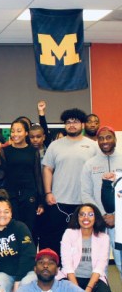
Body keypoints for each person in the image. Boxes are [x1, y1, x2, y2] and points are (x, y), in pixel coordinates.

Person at [41, 108, 98, 254]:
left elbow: (98, 171)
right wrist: (48, 192)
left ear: (82, 124)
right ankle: (58, 273)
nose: (72, 125)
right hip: (58, 201)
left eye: (75, 122)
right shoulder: (55, 145)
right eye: (68, 122)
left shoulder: (93, 146)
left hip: (83, 202)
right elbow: (47, 169)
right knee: (55, 240)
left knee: (81, 242)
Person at [81, 126, 122, 274]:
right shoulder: (90, 164)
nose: (105, 141)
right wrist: (102, 215)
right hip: (98, 220)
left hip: (120, 223)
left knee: (120, 261)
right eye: (101, 138)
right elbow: (85, 193)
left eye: (108, 137)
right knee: (99, 264)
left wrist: (116, 216)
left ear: (115, 139)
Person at [0, 119, 44, 234]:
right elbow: (1, 175)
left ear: (26, 133)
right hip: (11, 195)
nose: (15, 134)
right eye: (12, 131)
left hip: (29, 195)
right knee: (12, 228)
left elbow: (37, 175)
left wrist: (41, 200)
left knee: (29, 229)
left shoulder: (33, 151)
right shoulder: (5, 150)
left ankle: (29, 252)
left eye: (18, 131)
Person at [58, 204, 113, 292]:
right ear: (77, 218)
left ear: (96, 217)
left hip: (94, 278)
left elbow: (100, 267)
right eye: (82, 215)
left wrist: (89, 288)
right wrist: (77, 289)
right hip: (71, 276)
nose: (86, 218)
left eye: (90, 214)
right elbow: (67, 264)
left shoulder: (104, 238)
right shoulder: (69, 234)